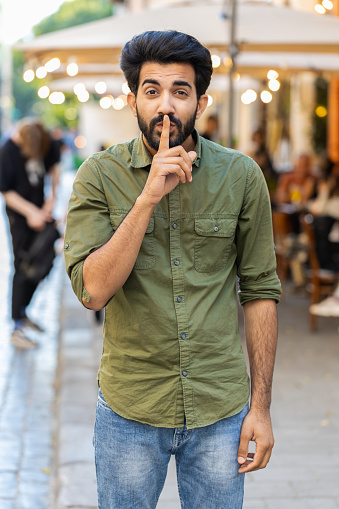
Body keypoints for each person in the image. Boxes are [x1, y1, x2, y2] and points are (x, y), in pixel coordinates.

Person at [64, 30, 281, 509]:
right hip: (130, 408)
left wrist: (261, 408)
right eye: (152, 90)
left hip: (220, 408)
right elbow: (92, 291)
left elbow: (261, 291)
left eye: (180, 91)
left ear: (200, 102)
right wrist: (147, 198)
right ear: (132, 100)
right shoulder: (99, 176)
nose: (166, 105)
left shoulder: (241, 176)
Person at [0, 119, 60, 349]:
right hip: (19, 216)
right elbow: (6, 192)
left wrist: (50, 201)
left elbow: (55, 169)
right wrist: (31, 213)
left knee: (43, 263)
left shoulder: (46, 141)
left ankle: (24, 312)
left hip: (41, 213)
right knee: (22, 266)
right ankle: (16, 323)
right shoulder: (8, 150)